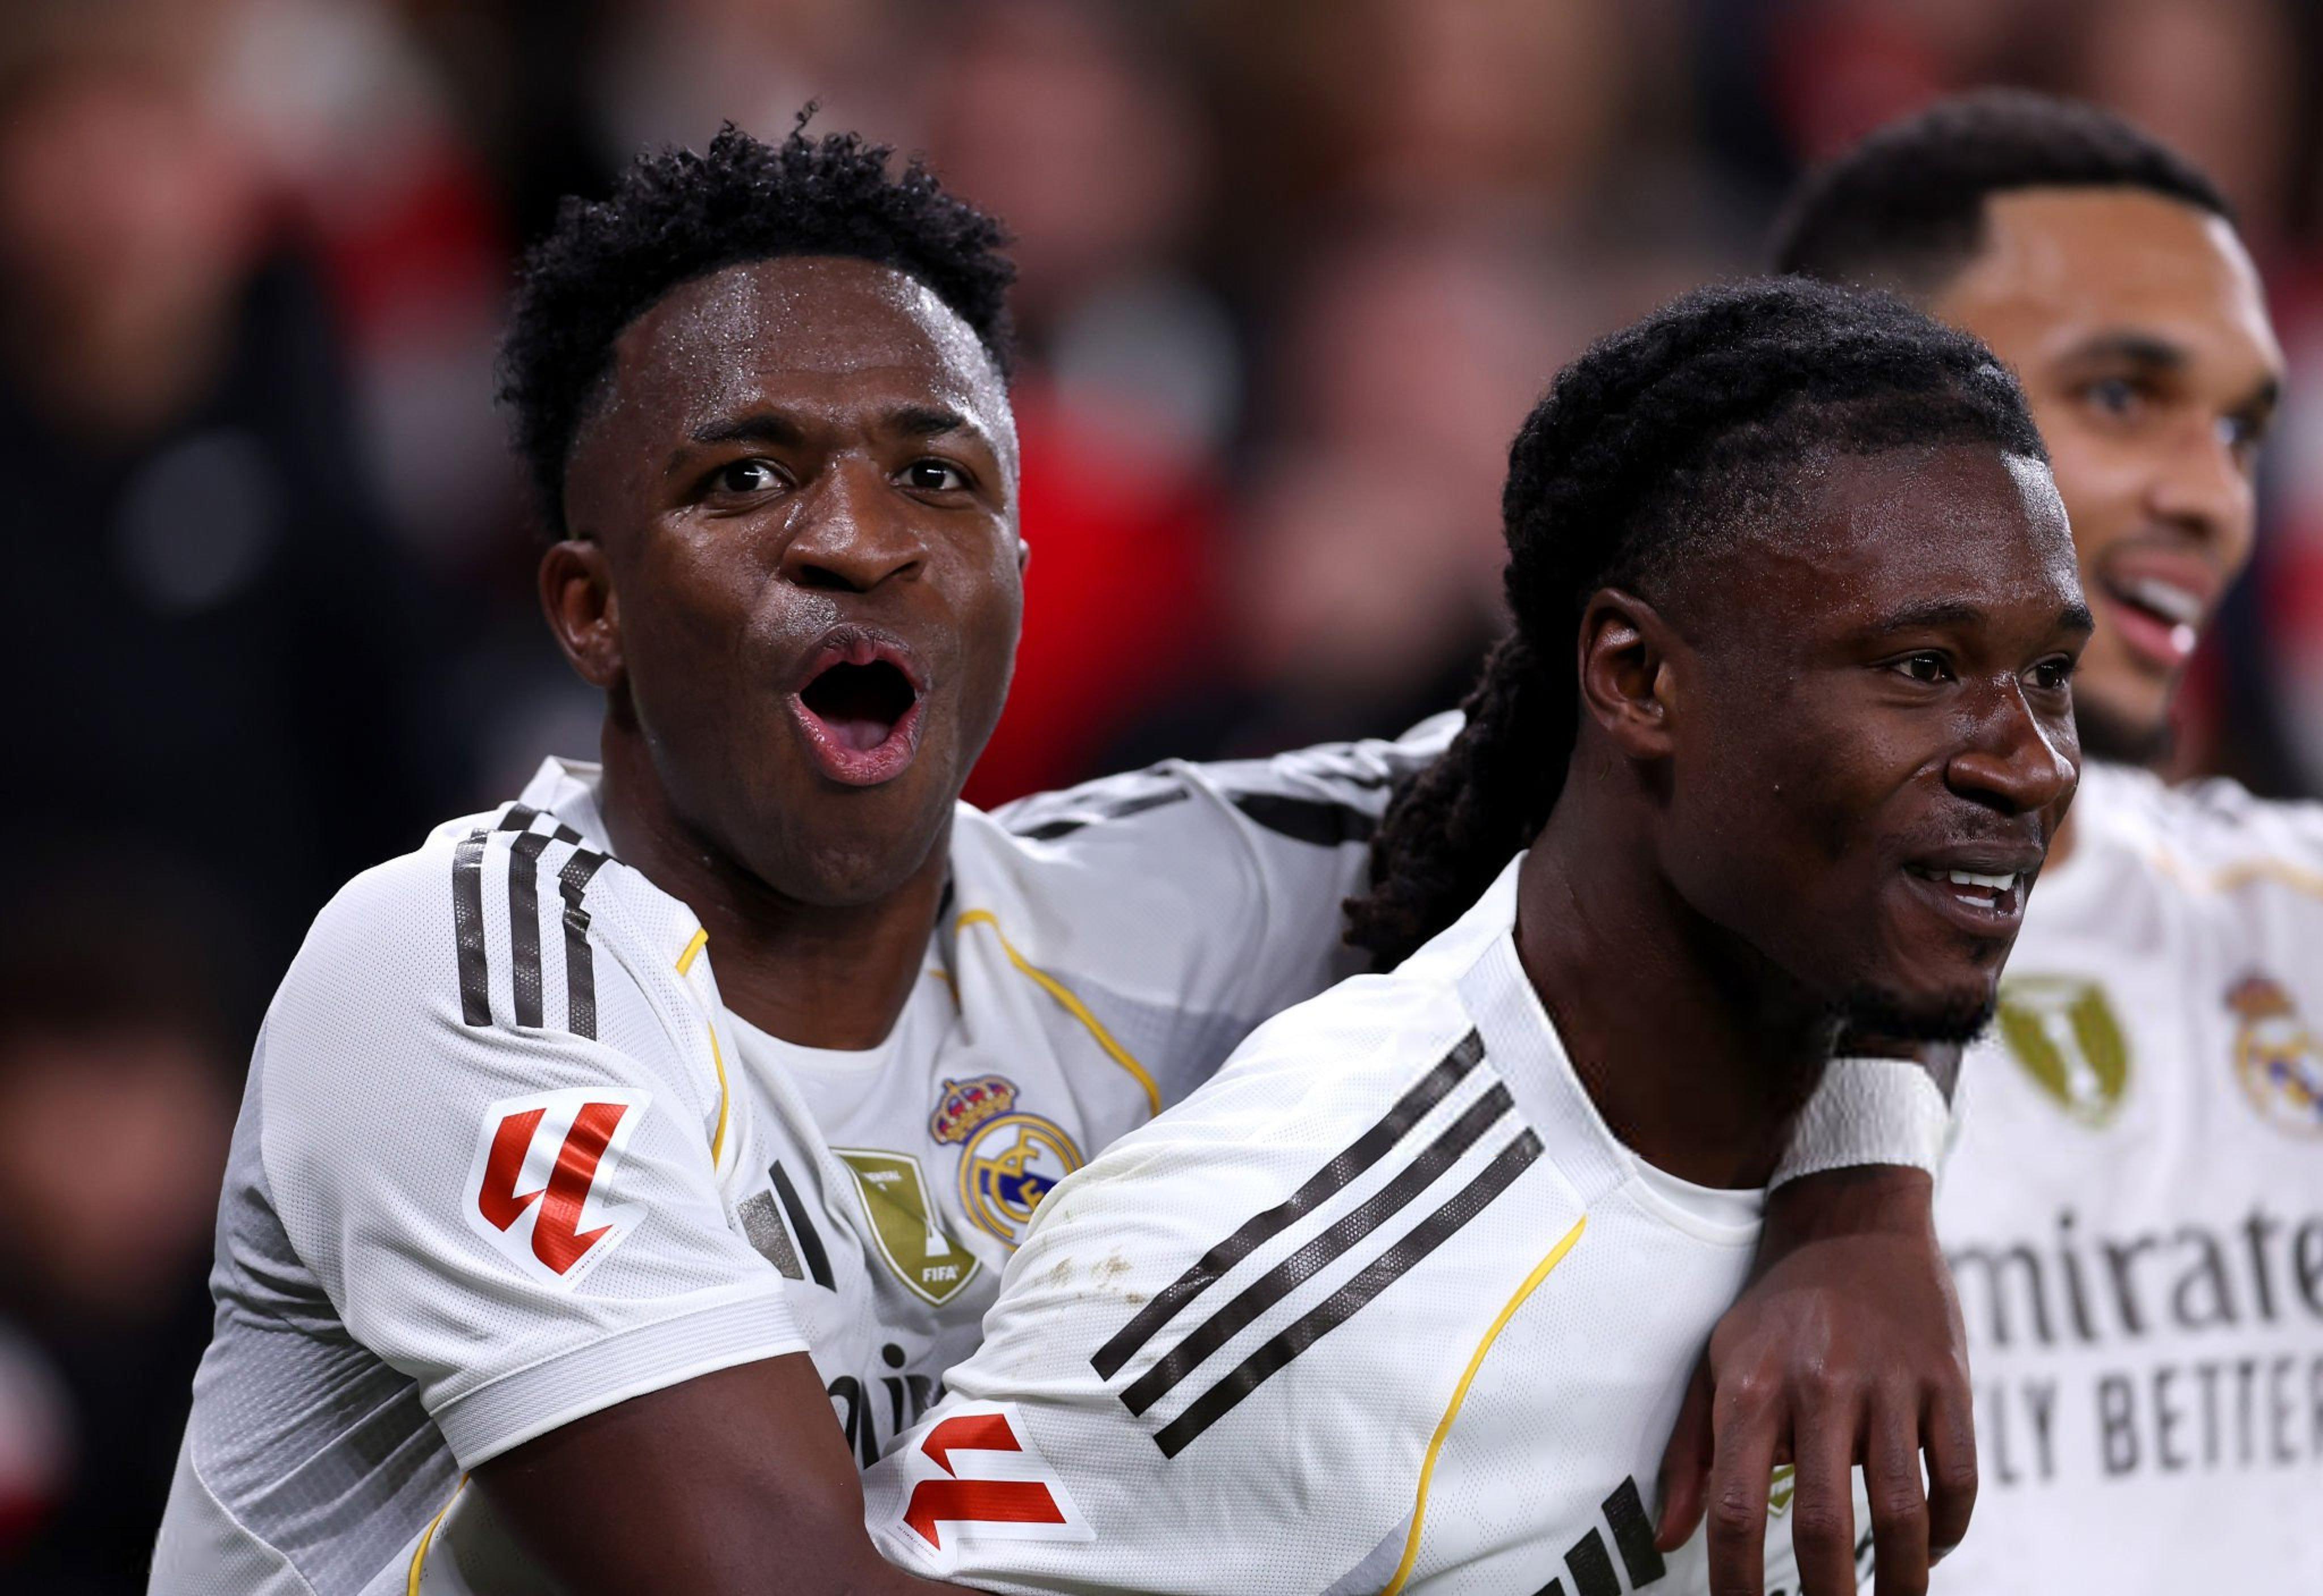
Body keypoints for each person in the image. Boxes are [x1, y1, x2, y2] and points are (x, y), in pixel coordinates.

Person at [153, 128, 1970, 1596]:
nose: (856, 539)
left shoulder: (1181, 894)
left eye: (938, 475)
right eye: (744, 479)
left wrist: (1860, 1197)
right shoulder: (458, 975)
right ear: (589, 609)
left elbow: (1833, 786)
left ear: (1021, 569)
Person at [859, 278, 2088, 1596]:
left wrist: (1860, 1198)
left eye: (2047, 675)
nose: (2034, 765)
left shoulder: (1894, 987)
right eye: (1920, 670)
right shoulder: (1284, 1276)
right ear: (1637, 680)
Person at [1775, 91, 2317, 1593]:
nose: (2211, 498)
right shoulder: (1541, 942)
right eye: (2123, 395)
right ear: (1833, 421)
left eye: (2238, 430)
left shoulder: (2290, 921)